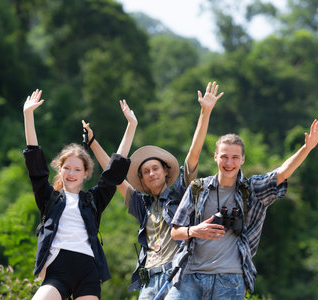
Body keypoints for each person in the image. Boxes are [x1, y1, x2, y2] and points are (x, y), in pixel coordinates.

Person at [83, 82, 224, 299]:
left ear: (166, 172)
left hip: (177, 276)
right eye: (146, 171)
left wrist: (205, 112)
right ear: (141, 179)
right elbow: (113, 178)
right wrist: (92, 143)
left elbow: (192, 155)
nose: (151, 174)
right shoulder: (142, 204)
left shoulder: (181, 193)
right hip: (148, 279)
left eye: (155, 169)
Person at [167, 118, 318, 300]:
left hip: (230, 278)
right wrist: (195, 230)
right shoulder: (197, 188)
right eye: (224, 156)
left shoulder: (251, 190)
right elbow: (175, 232)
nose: (229, 162)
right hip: (189, 275)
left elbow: (281, 173)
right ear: (215, 157)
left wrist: (307, 148)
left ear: (242, 159)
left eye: (235, 157)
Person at [22, 89, 132, 300]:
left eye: (77, 169)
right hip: (57, 270)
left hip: (88, 270)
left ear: (85, 174)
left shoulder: (93, 200)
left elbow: (114, 171)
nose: (71, 173)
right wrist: (28, 115)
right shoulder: (49, 198)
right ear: (60, 169)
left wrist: (131, 126)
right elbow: (35, 166)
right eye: (67, 168)